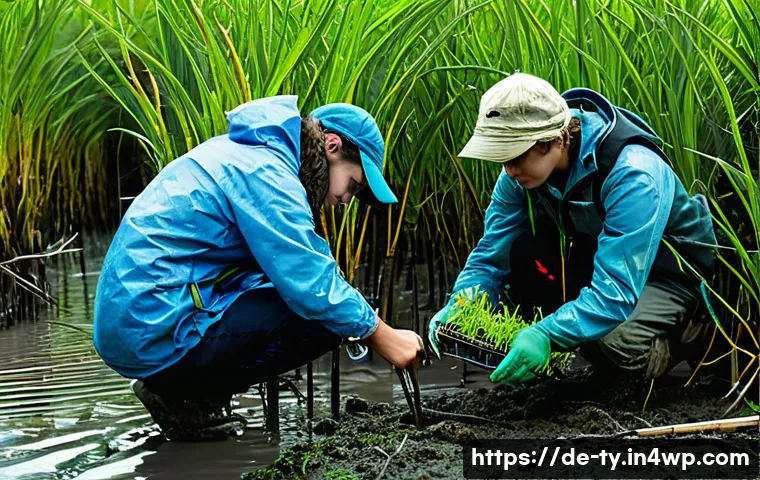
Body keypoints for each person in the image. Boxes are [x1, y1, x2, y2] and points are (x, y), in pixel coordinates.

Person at [94, 96, 424, 440]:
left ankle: (180, 393)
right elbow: (310, 284)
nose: (343, 200)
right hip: (150, 327)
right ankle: (179, 394)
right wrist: (382, 335)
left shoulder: (251, 154)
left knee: (303, 299)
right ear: (332, 145)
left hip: (142, 321)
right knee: (323, 323)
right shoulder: (267, 175)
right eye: (352, 185)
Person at [428, 73, 717, 386]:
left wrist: (546, 335)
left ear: (557, 138)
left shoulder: (633, 173)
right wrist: (461, 304)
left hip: (666, 274)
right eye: (501, 156)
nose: (508, 169)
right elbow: (491, 254)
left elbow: (616, 292)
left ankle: (690, 334)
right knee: (521, 268)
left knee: (607, 342)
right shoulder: (517, 175)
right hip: (597, 258)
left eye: (515, 154)